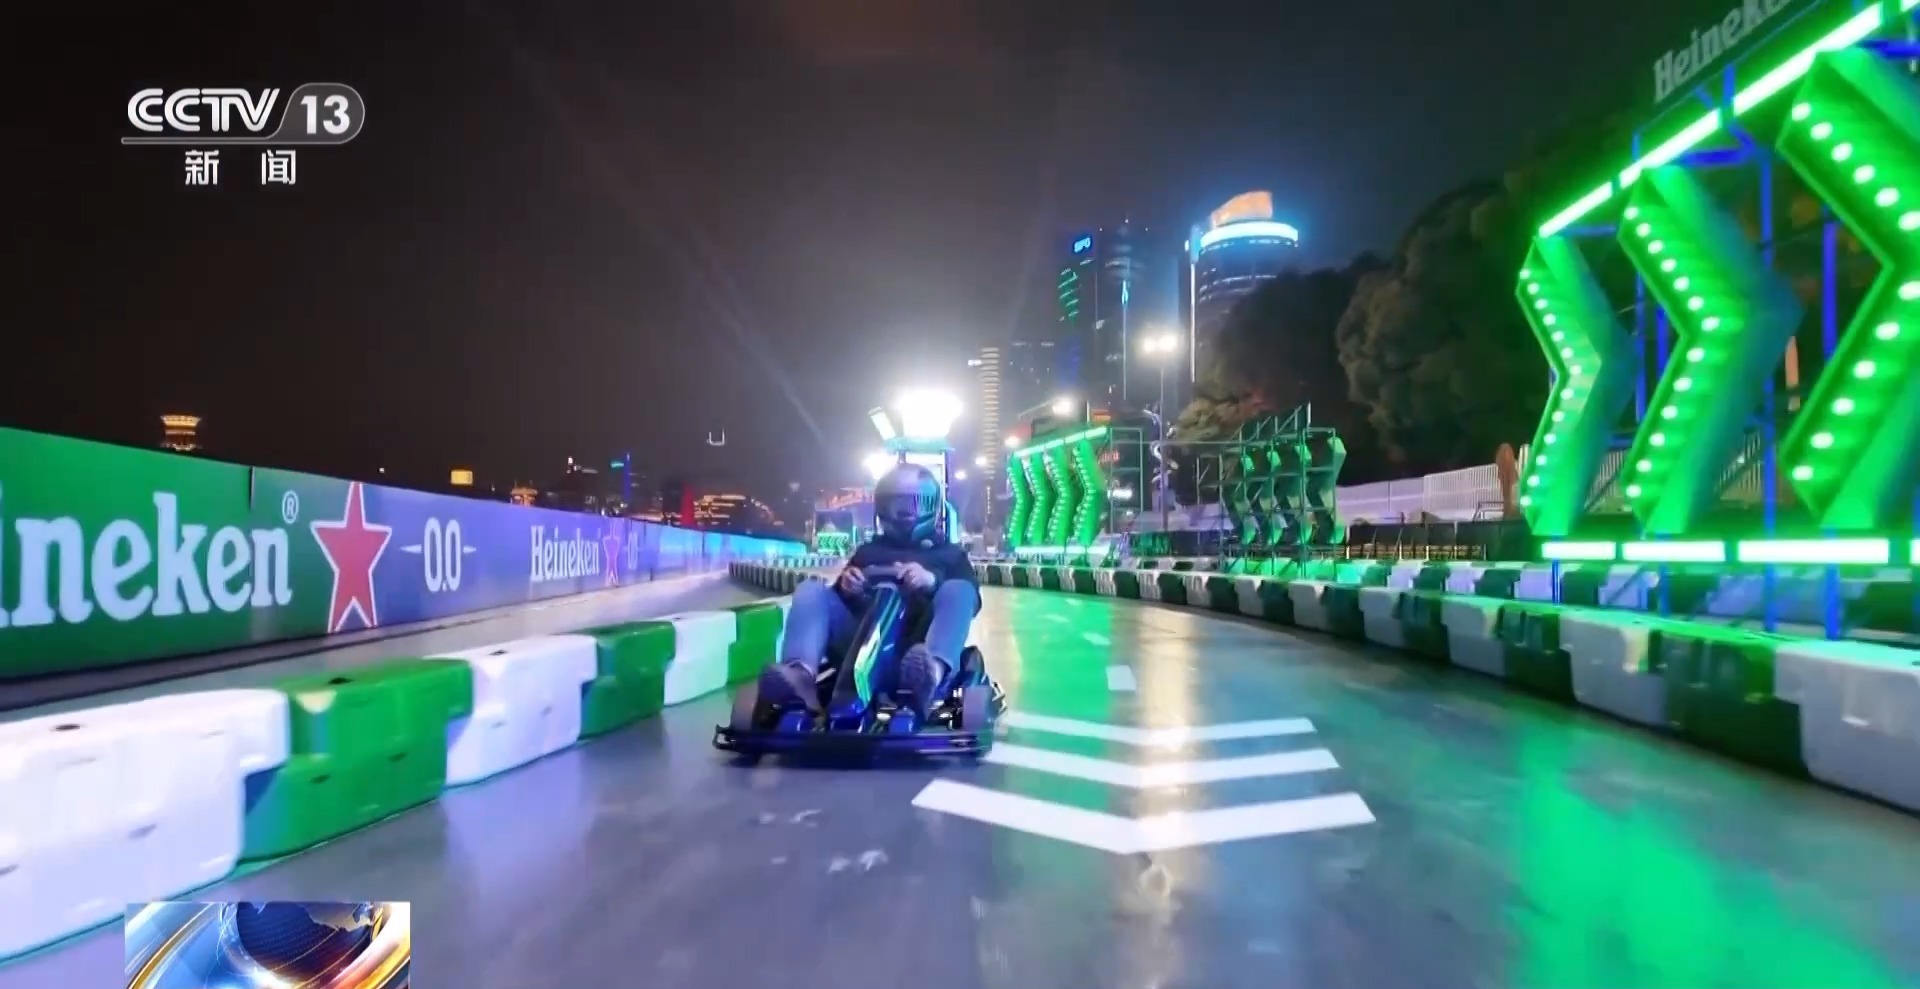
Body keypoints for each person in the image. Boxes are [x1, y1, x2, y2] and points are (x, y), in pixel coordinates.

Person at [760, 461, 980, 716]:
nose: (903, 513)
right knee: (811, 589)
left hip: (916, 644)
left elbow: (971, 602)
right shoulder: (868, 552)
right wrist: (847, 586)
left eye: (913, 504)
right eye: (895, 505)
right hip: (860, 640)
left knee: (960, 589)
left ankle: (932, 672)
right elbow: (835, 600)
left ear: (931, 506)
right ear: (881, 508)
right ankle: (800, 674)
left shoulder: (950, 555)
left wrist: (931, 581)